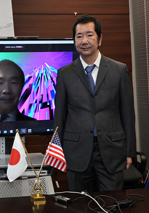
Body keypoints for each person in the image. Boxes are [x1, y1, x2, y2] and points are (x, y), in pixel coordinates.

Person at [54, 15, 136, 192]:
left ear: (100, 39)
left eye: (89, 35)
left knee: (112, 206)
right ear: (74, 40)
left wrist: (130, 152)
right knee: (80, 209)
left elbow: (127, 114)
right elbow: (59, 116)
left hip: (112, 151)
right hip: (76, 151)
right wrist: (57, 149)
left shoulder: (119, 70)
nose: (84, 41)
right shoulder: (64, 74)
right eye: (79, 36)